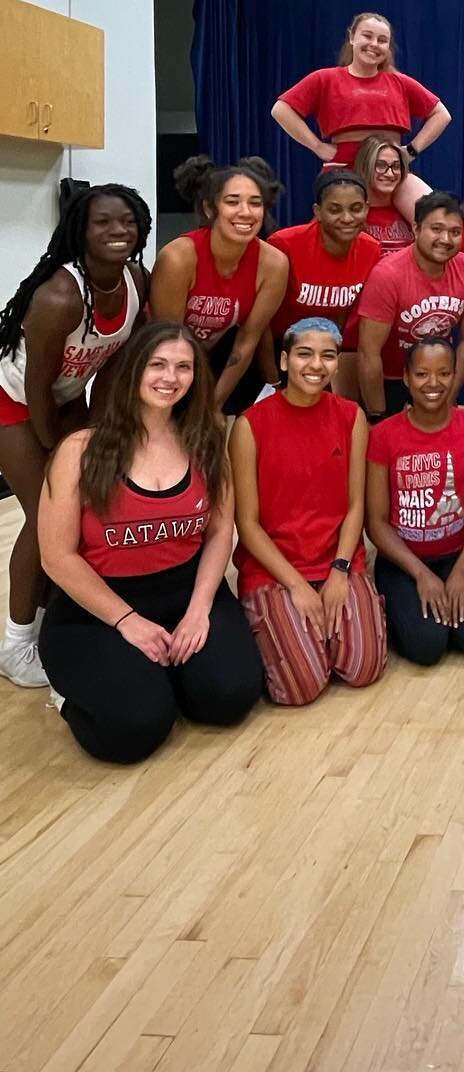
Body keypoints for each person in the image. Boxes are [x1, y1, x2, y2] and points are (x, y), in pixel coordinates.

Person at [35, 323, 264, 760]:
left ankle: (163, 673)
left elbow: (219, 532)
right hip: (98, 610)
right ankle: (71, 695)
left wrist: (199, 612)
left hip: (186, 593)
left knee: (229, 697)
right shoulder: (81, 451)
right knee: (134, 731)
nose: (170, 377)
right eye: (157, 364)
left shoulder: (207, 443)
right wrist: (127, 622)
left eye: (183, 367)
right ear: (133, 370)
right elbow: (57, 558)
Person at [0, 185, 150, 689]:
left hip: (66, 401)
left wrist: (94, 434)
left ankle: (47, 623)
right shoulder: (60, 296)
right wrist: (56, 453)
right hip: (15, 403)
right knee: (48, 518)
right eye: (102, 223)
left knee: (79, 514)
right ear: (79, 231)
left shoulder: (135, 281)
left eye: (126, 222)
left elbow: (109, 366)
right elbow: (37, 385)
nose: (117, 232)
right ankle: (15, 643)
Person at [230, 318, 386, 705]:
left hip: (337, 561)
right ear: (284, 361)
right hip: (276, 569)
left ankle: (319, 637)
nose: (316, 365)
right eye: (304, 354)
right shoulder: (250, 425)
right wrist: (297, 586)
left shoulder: (352, 417)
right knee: (300, 690)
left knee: (363, 670)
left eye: (328, 356)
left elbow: (355, 506)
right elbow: (246, 525)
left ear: (336, 363)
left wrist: (340, 570)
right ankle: (281, 634)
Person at [365, 338, 464, 666]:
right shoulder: (383, 435)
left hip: (458, 554)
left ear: (455, 377)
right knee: (427, 647)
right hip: (403, 562)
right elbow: (376, 522)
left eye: (444, 373)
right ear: (407, 378)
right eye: (422, 374)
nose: (433, 383)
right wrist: (421, 574)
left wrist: (462, 568)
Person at [270, 12, 450, 220]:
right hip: (345, 168)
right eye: (367, 36)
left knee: (435, 219)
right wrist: (318, 147)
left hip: (390, 170)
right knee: (337, 232)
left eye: (382, 40)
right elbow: (281, 109)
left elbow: (441, 114)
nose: (374, 44)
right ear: (351, 37)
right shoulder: (325, 78)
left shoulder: (399, 82)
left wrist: (411, 151)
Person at [150, 156, 288, 414]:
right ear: (210, 209)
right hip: (157, 358)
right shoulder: (178, 257)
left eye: (255, 203)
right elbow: (167, 340)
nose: (246, 212)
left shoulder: (274, 264)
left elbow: (247, 342)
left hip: (211, 360)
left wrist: (212, 405)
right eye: (232, 202)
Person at [355, 192, 464, 419]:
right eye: (436, 229)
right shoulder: (388, 275)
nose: (445, 239)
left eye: (455, 232)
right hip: (390, 380)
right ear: (415, 229)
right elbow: (368, 353)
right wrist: (377, 415)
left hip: (438, 379)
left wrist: (450, 396)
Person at [264, 169, 382, 400]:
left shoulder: (371, 250)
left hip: (322, 351)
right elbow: (260, 323)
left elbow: (346, 318)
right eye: (335, 209)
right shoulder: (284, 244)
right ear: (318, 211)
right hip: (276, 351)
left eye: (356, 209)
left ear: (367, 208)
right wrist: (273, 380)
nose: (347, 218)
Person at [354, 135, 416, 258]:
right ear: (365, 166)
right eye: (380, 165)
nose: (389, 173)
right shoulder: (351, 215)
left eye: (396, 166)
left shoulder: (409, 211)